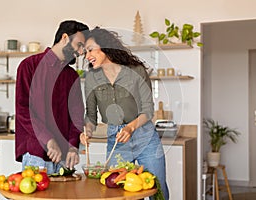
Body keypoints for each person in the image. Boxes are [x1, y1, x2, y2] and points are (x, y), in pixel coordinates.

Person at [80, 27, 169, 199]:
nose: (87, 56)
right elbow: (90, 114)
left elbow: (148, 109)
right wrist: (87, 131)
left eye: (90, 50)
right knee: (118, 192)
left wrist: (130, 128)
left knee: (157, 189)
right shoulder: (91, 77)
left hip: (145, 136)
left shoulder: (136, 70)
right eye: (85, 52)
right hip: (116, 139)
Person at [15, 20, 89, 174]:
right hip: (37, 156)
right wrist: (48, 140)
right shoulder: (28, 66)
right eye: (80, 45)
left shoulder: (71, 76)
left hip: (65, 159)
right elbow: (23, 111)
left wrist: (73, 147)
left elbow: (76, 115)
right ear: (65, 38)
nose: (81, 52)